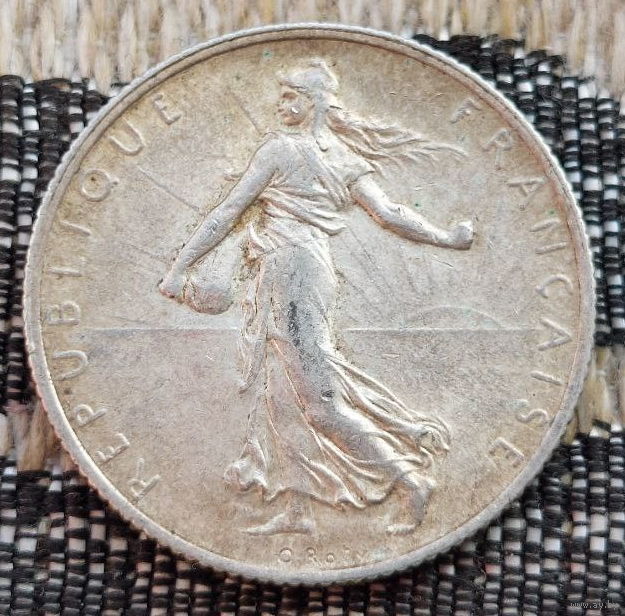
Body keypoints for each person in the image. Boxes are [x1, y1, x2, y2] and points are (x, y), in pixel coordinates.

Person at [160, 59, 474, 535]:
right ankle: (298, 508)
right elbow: (390, 213)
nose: (281, 103)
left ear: (312, 103)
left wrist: (180, 268)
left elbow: (228, 212)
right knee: (281, 398)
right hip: (299, 269)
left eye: (291, 96)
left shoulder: (280, 150)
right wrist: (445, 237)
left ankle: (409, 479)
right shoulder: (343, 158)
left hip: (290, 272)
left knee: (319, 402)